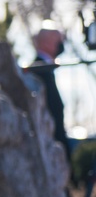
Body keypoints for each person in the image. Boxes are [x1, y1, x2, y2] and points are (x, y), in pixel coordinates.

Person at [27, 22, 69, 155]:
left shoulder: (47, 70)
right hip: (47, 149)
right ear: (46, 42)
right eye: (58, 40)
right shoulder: (38, 71)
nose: (61, 44)